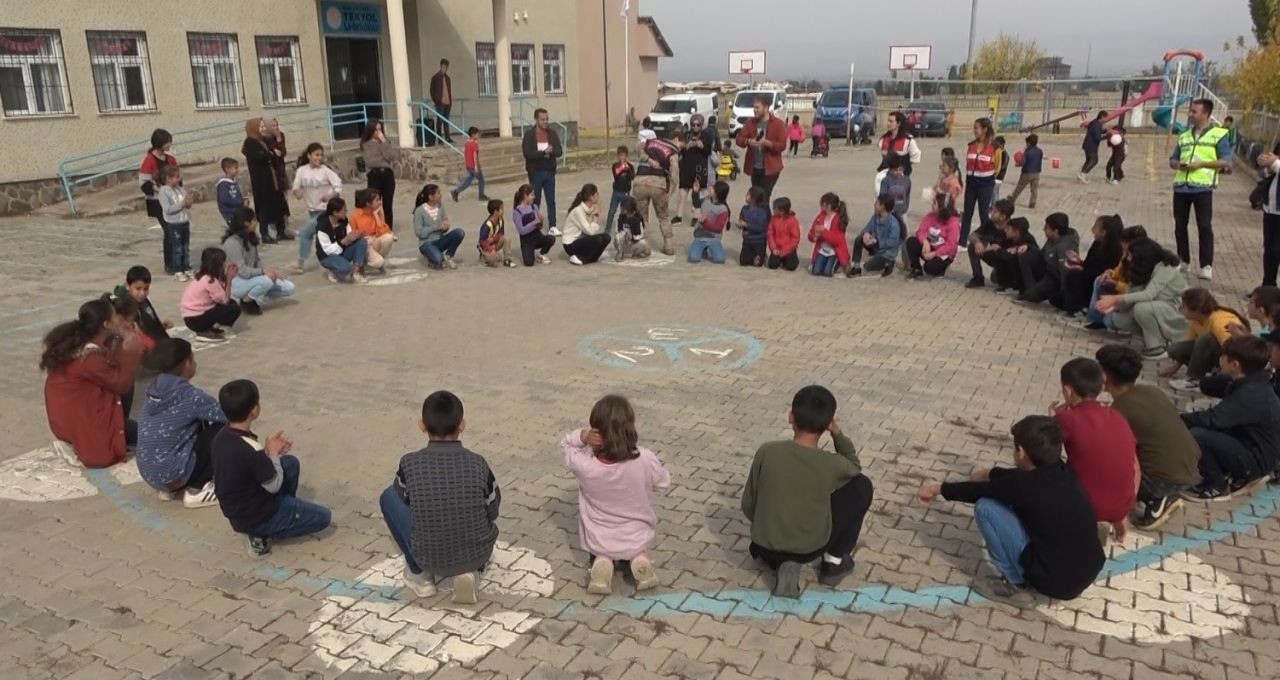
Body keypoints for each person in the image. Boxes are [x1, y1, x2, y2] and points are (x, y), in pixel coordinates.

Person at [916, 416, 1105, 604]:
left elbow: (977, 491)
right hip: (1087, 571)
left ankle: (1015, 584)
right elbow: (1017, 478)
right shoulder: (1064, 472)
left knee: (986, 507)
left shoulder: (1024, 487)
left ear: (1021, 452)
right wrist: (991, 473)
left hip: (1055, 582)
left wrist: (937, 488)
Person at [741, 385, 874, 597]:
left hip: (764, 544)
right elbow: (854, 466)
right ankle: (833, 561)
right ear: (828, 424)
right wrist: (838, 434)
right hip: (809, 548)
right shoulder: (831, 464)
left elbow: (748, 506)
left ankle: (781, 560)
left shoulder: (767, 451)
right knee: (862, 486)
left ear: (790, 417)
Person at [379, 390, 499, 603]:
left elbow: (404, 499)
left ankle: (419, 575)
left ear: (422, 426)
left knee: (389, 496)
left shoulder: (409, 463)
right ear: (462, 425)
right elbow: (493, 508)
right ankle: (471, 571)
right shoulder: (478, 464)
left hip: (428, 556)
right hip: (477, 553)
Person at [561, 395, 671, 594]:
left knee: (601, 554)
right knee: (639, 551)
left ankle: (603, 565)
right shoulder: (644, 458)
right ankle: (639, 561)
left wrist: (582, 437)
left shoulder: (586, 466)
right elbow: (664, 482)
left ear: (597, 432)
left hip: (600, 539)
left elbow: (566, 445)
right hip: (637, 536)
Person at [213, 379, 331, 557]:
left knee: (290, 463)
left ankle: (286, 510)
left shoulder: (222, 436)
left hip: (237, 506)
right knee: (324, 517)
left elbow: (248, 466)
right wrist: (273, 454)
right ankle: (264, 533)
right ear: (254, 409)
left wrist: (269, 453)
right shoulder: (251, 449)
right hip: (256, 515)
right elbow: (273, 485)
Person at [1095, 344, 1201, 529]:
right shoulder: (1152, 391)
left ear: (1104, 377)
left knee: (1101, 469)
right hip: (1191, 466)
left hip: (1164, 479)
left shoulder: (1119, 411)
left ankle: (1159, 498)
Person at [41, 297, 142, 468]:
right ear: (106, 324)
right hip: (80, 417)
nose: (119, 319)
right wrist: (131, 353)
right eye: (115, 316)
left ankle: (116, 430)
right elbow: (120, 383)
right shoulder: (90, 358)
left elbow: (110, 359)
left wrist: (121, 339)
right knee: (149, 435)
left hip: (66, 416)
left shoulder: (82, 341)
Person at [1180, 336, 1280, 500]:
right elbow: (1210, 386)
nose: (1220, 359)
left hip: (1256, 458)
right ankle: (1226, 468)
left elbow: (1213, 419)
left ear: (1235, 365)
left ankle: (1216, 483)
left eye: (1223, 356)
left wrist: (1178, 420)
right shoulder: (1255, 381)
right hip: (1250, 442)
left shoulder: (1251, 394)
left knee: (1198, 434)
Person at [1051, 358, 1138, 542]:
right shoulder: (1117, 416)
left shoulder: (1068, 419)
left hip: (1084, 506)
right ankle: (1115, 517)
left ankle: (1078, 524)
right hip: (1122, 505)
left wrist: (1052, 421)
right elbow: (1135, 466)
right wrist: (1123, 508)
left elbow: (1045, 454)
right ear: (1101, 388)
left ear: (1067, 390)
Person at [136, 338, 226, 507]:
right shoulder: (190, 396)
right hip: (173, 473)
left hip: (150, 475)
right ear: (186, 363)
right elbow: (228, 414)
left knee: (193, 425)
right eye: (193, 358)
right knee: (223, 430)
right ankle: (197, 490)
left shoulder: (153, 390)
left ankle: (169, 490)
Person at [1095, 237, 1188, 359]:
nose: (1127, 258)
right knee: (1119, 319)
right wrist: (1114, 307)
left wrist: (1115, 299)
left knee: (1141, 308)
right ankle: (1157, 339)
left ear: (1142, 257)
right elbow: (1132, 292)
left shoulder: (1166, 269)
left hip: (1178, 311)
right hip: (1158, 307)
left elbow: (1147, 295)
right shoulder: (1142, 270)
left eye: (1129, 255)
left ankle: (1156, 348)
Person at [1170, 99, 1231, 281]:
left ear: (1205, 114)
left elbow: (1225, 161)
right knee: (1180, 226)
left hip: (1202, 188)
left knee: (1204, 226)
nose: (1190, 114)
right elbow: (1173, 159)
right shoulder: (1184, 135)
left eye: (1194, 112)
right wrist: (1177, 164)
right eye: (1190, 111)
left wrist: (1201, 164)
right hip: (1181, 187)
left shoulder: (1219, 135)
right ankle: (1183, 260)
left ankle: (1206, 265)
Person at [1161, 289, 1248, 391]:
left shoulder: (1218, 321)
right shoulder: (1196, 321)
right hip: (1216, 356)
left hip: (1229, 356)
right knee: (1176, 349)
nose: (1181, 308)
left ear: (1196, 310)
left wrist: (1226, 372)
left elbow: (1235, 348)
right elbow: (1190, 346)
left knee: (1205, 339)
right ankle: (1208, 372)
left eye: (1184, 306)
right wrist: (1175, 368)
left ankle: (1194, 379)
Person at [221, 207, 294, 315]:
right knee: (267, 281)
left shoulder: (250, 237)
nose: (256, 222)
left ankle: (256, 297)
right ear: (246, 223)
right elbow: (242, 271)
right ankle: (246, 300)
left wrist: (269, 272)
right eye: (254, 220)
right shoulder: (232, 243)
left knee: (289, 287)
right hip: (237, 281)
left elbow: (257, 260)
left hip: (252, 278)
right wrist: (263, 273)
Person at [290, 142, 344, 273]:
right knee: (322, 239)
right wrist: (298, 192)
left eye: (321, 155)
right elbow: (296, 187)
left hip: (325, 211)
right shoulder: (302, 171)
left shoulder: (325, 171)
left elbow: (338, 185)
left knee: (305, 233)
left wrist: (330, 195)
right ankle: (335, 262)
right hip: (312, 211)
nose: (319, 158)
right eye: (316, 155)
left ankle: (300, 263)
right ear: (309, 155)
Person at [1082, 225, 1147, 330]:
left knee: (1110, 321)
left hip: (1131, 299)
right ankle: (1096, 319)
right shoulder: (1126, 255)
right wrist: (1110, 274)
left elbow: (1136, 291)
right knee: (1100, 281)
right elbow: (1118, 272)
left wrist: (1116, 284)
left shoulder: (1144, 262)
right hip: (1121, 292)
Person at [1061, 215, 1123, 316]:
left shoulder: (1113, 250)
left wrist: (1082, 269)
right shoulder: (1097, 244)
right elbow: (1088, 264)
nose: (1092, 230)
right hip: (1087, 277)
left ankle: (1080, 308)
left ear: (1104, 232)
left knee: (1073, 275)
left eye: (1095, 227)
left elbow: (1100, 271)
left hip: (1098, 281)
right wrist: (1079, 262)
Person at [139, 129, 181, 273]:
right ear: (159, 143)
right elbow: (144, 183)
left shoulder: (171, 159)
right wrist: (160, 189)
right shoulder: (149, 160)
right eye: (167, 141)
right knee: (169, 230)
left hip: (172, 200)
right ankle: (169, 264)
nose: (170, 144)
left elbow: (178, 178)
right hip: (157, 202)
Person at [1015, 213, 1078, 307]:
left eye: (1046, 227)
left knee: (1033, 296)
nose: (1044, 229)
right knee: (1025, 255)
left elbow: (1065, 273)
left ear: (1055, 231)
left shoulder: (1065, 247)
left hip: (1055, 278)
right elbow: (1042, 253)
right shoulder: (1052, 238)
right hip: (1047, 269)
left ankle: (1034, 293)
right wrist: (1028, 246)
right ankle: (1029, 289)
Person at [632, 134, 678, 255]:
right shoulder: (673, 151)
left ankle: (645, 247)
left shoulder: (648, 143)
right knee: (663, 216)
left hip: (640, 182)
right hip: (659, 184)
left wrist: (648, 159)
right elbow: (674, 173)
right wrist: (671, 191)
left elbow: (637, 148)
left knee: (642, 217)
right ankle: (668, 246)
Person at [241, 118, 285, 244]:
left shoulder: (262, 140)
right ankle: (264, 233)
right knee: (264, 207)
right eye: (260, 127)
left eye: (263, 126)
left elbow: (277, 153)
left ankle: (280, 232)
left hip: (270, 178)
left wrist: (272, 153)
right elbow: (261, 156)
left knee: (278, 203)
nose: (262, 129)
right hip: (260, 180)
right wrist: (271, 154)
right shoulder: (250, 142)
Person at [181, 247, 242, 337]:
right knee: (233, 308)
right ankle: (212, 328)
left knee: (230, 304)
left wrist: (225, 277)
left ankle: (210, 327)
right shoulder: (210, 281)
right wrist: (229, 280)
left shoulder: (202, 276)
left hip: (190, 317)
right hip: (196, 319)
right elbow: (225, 301)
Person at [735, 95, 787, 200]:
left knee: (763, 197)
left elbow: (782, 145)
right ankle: (759, 216)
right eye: (754, 107)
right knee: (755, 197)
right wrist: (748, 141)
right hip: (755, 168)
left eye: (757, 107)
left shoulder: (778, 124)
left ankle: (765, 216)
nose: (754, 110)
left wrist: (767, 143)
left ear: (766, 108)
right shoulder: (751, 123)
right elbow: (739, 138)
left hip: (771, 169)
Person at [960, 118, 1001, 249]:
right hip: (971, 183)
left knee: (984, 213)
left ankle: (986, 241)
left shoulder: (995, 148)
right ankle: (962, 242)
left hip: (985, 184)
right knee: (967, 213)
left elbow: (997, 167)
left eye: (976, 128)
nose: (974, 130)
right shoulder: (970, 145)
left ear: (984, 130)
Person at [522, 108, 563, 235]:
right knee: (535, 200)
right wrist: (543, 152)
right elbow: (528, 154)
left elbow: (559, 151)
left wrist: (552, 151)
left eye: (547, 119)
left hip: (549, 171)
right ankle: (535, 225)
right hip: (536, 173)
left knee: (551, 200)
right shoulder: (529, 135)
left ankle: (552, 226)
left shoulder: (552, 134)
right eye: (542, 119)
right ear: (536, 120)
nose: (545, 122)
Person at [964, 199, 1019, 290]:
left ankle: (1008, 282)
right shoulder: (990, 223)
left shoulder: (1013, 228)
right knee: (972, 247)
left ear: (1003, 217)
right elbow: (973, 235)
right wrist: (977, 242)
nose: (991, 213)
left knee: (995, 278)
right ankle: (978, 278)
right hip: (994, 255)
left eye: (995, 212)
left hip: (1007, 260)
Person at [113, 265, 171, 352]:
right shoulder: (126, 307)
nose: (142, 293)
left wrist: (161, 327)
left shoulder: (143, 302)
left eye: (146, 289)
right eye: (138, 288)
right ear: (127, 285)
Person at [906, 192, 961, 280]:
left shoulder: (953, 223)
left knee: (929, 268)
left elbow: (951, 246)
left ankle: (942, 269)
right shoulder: (930, 216)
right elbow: (920, 231)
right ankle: (916, 269)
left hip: (943, 253)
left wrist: (934, 254)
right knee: (911, 242)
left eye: (935, 203)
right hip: (930, 247)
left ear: (941, 207)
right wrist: (925, 241)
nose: (932, 205)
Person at [315, 197, 369, 283]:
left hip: (342, 251)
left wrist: (354, 236)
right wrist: (344, 240)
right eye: (344, 210)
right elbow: (328, 250)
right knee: (345, 268)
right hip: (327, 256)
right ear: (335, 213)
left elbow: (349, 234)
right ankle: (334, 270)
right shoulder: (322, 227)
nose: (346, 212)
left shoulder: (343, 221)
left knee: (362, 242)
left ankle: (355, 273)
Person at [673, 114, 714, 226]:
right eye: (693, 124)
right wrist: (681, 146)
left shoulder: (706, 135)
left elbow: (708, 151)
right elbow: (681, 150)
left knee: (696, 193)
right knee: (682, 192)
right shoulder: (686, 135)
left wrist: (701, 146)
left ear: (701, 124)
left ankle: (696, 216)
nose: (695, 126)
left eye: (698, 124)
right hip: (686, 166)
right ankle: (679, 216)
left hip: (699, 168)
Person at [360, 119, 400, 234]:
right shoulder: (366, 144)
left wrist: (383, 142)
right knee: (374, 204)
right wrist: (385, 161)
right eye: (375, 130)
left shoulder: (385, 142)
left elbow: (392, 156)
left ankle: (388, 230)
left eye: (380, 129)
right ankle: (375, 229)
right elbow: (370, 161)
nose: (378, 132)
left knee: (388, 204)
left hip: (387, 175)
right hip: (374, 175)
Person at [413, 184, 465, 270]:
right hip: (426, 243)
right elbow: (420, 233)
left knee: (459, 232)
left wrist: (446, 227)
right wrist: (436, 227)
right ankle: (434, 258)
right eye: (438, 193)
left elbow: (443, 224)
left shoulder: (440, 207)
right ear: (431, 197)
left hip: (440, 241)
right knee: (439, 260)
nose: (441, 195)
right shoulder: (419, 211)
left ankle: (448, 257)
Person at [848, 194, 902, 278]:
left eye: (877, 203)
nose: (874, 205)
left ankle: (889, 264)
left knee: (867, 267)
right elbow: (866, 229)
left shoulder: (893, 224)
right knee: (859, 239)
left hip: (887, 253)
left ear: (882, 206)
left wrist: (877, 242)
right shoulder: (875, 217)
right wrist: (866, 234)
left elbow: (892, 243)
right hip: (875, 246)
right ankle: (856, 266)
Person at [157, 165, 193, 281]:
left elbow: (185, 201)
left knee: (185, 246)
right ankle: (178, 269)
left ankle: (186, 267)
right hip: (174, 224)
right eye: (176, 177)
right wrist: (182, 204)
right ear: (168, 178)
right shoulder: (163, 192)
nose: (178, 179)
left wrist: (188, 202)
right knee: (177, 248)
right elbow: (168, 209)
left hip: (184, 221)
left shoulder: (180, 189)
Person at [563, 183, 612, 265]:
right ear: (591, 197)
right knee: (598, 240)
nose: (598, 196)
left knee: (606, 237)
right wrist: (596, 215)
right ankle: (578, 257)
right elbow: (590, 231)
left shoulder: (591, 208)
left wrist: (595, 212)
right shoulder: (578, 210)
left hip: (581, 239)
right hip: (571, 244)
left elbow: (592, 231)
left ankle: (593, 258)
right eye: (596, 194)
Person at [349, 188, 394, 273]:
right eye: (377, 200)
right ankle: (362, 263)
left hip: (374, 241)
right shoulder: (355, 216)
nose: (380, 202)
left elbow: (385, 232)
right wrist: (364, 240)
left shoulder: (376, 212)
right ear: (368, 203)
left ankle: (378, 262)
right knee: (378, 262)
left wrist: (378, 216)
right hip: (364, 245)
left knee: (388, 238)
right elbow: (352, 236)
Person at [263, 119, 293, 240]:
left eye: (277, 125)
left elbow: (282, 152)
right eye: (273, 125)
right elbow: (273, 154)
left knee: (284, 197)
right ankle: (274, 224)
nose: (275, 128)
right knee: (275, 199)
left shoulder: (281, 136)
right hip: (272, 171)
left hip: (280, 170)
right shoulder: (265, 139)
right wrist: (274, 151)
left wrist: (279, 140)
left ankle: (285, 224)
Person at [808, 192, 850, 277]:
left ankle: (840, 263)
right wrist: (814, 236)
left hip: (834, 251)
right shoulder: (820, 217)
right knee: (816, 271)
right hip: (823, 250)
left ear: (828, 206)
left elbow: (836, 240)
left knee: (828, 272)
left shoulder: (838, 219)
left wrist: (824, 232)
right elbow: (811, 234)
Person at [513, 183, 555, 266]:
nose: (534, 197)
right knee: (529, 263)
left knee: (551, 239)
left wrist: (541, 221)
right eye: (532, 195)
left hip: (537, 237)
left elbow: (540, 227)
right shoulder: (517, 212)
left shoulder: (534, 207)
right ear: (525, 196)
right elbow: (521, 231)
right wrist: (534, 223)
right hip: (526, 241)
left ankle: (542, 254)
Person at [688, 181, 729, 265]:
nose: (710, 189)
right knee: (693, 258)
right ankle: (702, 249)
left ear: (718, 193)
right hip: (700, 236)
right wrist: (695, 192)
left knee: (719, 260)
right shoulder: (706, 200)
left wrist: (705, 221)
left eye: (713, 188)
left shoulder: (723, 209)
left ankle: (710, 248)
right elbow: (696, 203)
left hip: (714, 238)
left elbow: (718, 227)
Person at [1256, 146, 1280, 286]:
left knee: (1277, 250)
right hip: (1271, 209)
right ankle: (1268, 286)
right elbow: (1265, 173)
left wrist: (1274, 163)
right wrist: (1266, 163)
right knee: (1269, 250)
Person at [877, 111, 922, 177]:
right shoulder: (883, 139)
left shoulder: (908, 140)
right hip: (885, 177)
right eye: (888, 121)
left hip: (902, 179)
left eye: (891, 121)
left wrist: (904, 166)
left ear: (898, 123)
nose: (888, 123)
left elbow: (916, 157)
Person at [451, 126, 488, 203]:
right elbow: (474, 155)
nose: (478, 136)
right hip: (474, 165)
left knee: (468, 181)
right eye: (477, 134)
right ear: (473, 134)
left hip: (469, 165)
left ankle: (456, 191)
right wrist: (476, 166)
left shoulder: (467, 143)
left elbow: (466, 154)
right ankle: (481, 195)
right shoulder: (474, 144)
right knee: (481, 179)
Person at [477, 198, 515, 268]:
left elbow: (501, 234)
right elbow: (482, 241)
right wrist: (491, 250)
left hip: (494, 244)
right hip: (486, 248)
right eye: (501, 209)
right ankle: (484, 257)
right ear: (495, 212)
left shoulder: (501, 220)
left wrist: (494, 239)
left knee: (507, 238)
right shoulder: (487, 225)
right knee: (494, 260)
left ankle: (507, 260)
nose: (503, 211)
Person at [737, 186, 770, 267]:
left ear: (754, 198)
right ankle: (754, 254)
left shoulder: (762, 211)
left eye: (748, 194)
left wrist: (747, 225)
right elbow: (742, 220)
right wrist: (740, 225)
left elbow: (761, 228)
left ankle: (761, 255)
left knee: (757, 264)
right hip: (747, 240)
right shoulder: (744, 209)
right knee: (743, 262)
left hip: (759, 241)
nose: (745, 196)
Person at [767, 197, 802, 271]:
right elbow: (770, 234)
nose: (773, 210)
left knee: (791, 266)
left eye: (774, 209)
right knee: (772, 265)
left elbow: (795, 238)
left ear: (782, 211)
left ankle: (792, 259)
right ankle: (781, 260)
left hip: (789, 249)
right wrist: (773, 248)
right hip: (776, 249)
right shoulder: (773, 219)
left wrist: (784, 251)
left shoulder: (792, 221)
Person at [1008, 134, 1043, 209]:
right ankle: (1032, 202)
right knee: (1034, 189)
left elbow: (1023, 162)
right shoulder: (1040, 151)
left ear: (1029, 143)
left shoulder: (1027, 152)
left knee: (1020, 187)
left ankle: (1012, 198)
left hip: (1027, 172)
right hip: (1037, 173)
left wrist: (1018, 164)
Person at [605, 145, 634, 232]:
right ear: (618, 156)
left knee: (626, 211)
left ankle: (625, 228)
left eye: (624, 156)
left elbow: (632, 177)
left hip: (626, 192)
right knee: (612, 211)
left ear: (627, 156)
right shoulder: (615, 166)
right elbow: (616, 176)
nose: (623, 157)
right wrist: (622, 167)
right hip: (616, 192)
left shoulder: (630, 166)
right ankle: (607, 229)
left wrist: (628, 169)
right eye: (621, 155)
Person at [613, 196, 651, 261]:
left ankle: (636, 254)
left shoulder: (637, 219)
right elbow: (617, 231)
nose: (621, 209)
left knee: (644, 243)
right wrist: (625, 235)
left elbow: (641, 235)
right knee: (617, 237)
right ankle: (620, 253)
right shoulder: (620, 218)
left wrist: (632, 237)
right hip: (622, 244)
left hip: (632, 243)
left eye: (623, 208)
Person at [1079, 110, 1108, 183]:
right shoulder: (1096, 124)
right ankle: (1083, 174)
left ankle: (1082, 175)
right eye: (1105, 118)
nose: (1106, 120)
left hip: (1089, 145)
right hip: (1091, 145)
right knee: (1094, 160)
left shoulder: (1095, 123)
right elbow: (1097, 137)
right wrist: (1107, 136)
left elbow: (1097, 131)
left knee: (1089, 160)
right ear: (1102, 117)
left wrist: (1105, 131)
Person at [429, 58, 453, 145]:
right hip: (440, 104)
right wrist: (436, 101)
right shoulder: (435, 78)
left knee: (446, 121)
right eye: (443, 67)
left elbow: (449, 91)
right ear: (440, 66)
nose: (444, 69)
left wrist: (450, 102)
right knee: (440, 121)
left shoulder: (448, 78)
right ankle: (439, 138)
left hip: (447, 103)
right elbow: (431, 91)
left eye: (446, 67)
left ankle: (447, 137)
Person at [216, 158, 246, 226]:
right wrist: (241, 202)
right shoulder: (223, 184)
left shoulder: (234, 182)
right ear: (227, 169)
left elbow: (237, 196)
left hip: (237, 213)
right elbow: (225, 199)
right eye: (235, 168)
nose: (237, 170)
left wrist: (244, 201)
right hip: (230, 214)